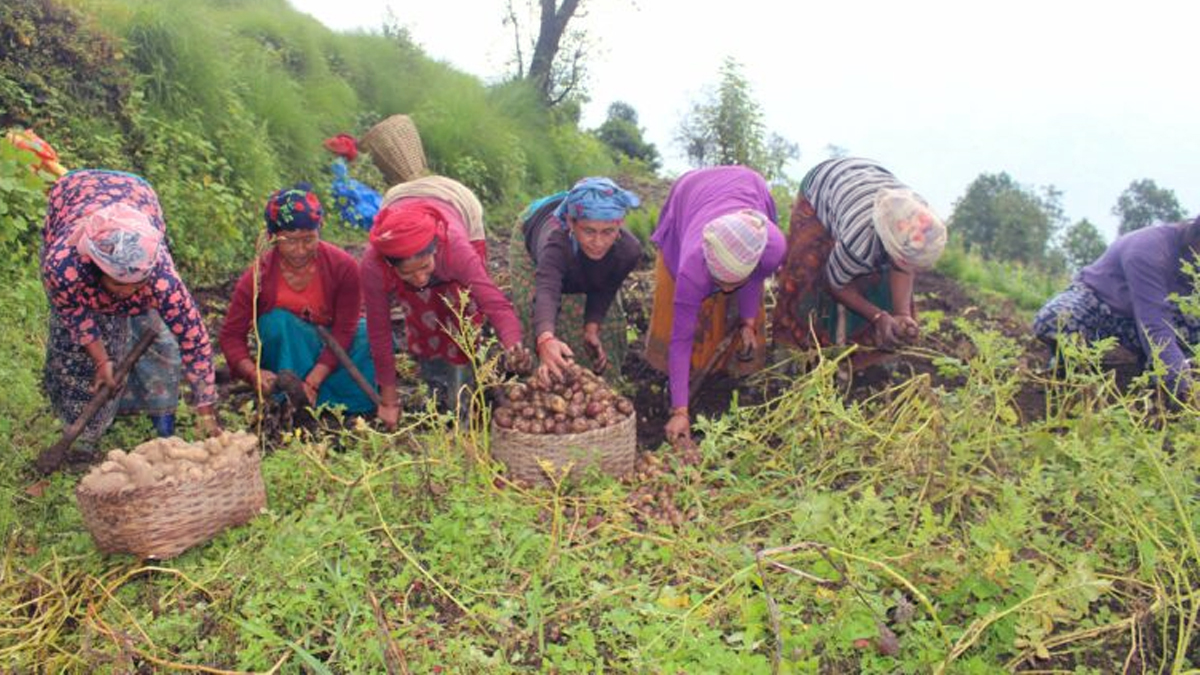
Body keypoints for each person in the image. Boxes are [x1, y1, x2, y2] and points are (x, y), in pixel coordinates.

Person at [40, 170, 219, 451]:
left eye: (137, 285)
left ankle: (138, 414)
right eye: (118, 284)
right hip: (76, 193)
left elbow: (194, 342)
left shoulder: (163, 281)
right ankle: (73, 426)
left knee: (152, 341)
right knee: (73, 348)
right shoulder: (64, 267)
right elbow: (74, 314)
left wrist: (205, 408)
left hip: (138, 196)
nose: (127, 292)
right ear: (95, 269)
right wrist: (100, 360)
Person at [361, 198, 531, 428]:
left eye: (424, 267)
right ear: (391, 266)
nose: (420, 278)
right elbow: (379, 331)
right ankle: (436, 386)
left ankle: (467, 393)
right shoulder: (373, 264)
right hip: (400, 204)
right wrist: (389, 400)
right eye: (407, 273)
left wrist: (513, 345)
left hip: (457, 202)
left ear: (435, 249)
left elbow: (494, 302)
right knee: (422, 316)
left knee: (463, 312)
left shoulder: (455, 249)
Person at [646, 165, 786, 443]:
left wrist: (747, 321)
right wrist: (681, 411)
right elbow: (681, 338)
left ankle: (731, 382)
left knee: (746, 315)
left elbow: (756, 277)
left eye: (734, 282)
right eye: (719, 280)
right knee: (683, 320)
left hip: (747, 185)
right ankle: (671, 388)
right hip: (690, 194)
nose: (725, 289)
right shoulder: (692, 265)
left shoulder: (772, 248)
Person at [220, 184, 376, 413]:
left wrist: (314, 379)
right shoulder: (258, 276)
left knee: (369, 334)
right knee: (274, 322)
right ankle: (291, 398)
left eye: (309, 239)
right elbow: (231, 336)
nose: (301, 250)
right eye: (290, 241)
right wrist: (253, 373)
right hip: (290, 355)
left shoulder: (344, 267)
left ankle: (325, 396)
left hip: (333, 347)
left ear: (320, 229)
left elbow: (345, 329)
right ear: (273, 237)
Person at [773, 157, 947, 351]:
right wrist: (878, 316)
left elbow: (903, 266)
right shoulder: (859, 243)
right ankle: (792, 349)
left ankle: (864, 353)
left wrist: (902, 314)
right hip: (823, 183)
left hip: (868, 178)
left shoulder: (917, 218)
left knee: (878, 282)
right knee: (805, 271)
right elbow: (836, 284)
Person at [1034, 216, 1200, 395]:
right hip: (1098, 303)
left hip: (1142, 322)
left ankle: (1156, 382)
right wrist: (1183, 389)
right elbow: (1154, 322)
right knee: (1056, 319)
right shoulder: (1150, 247)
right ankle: (1069, 368)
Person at [508, 177, 642, 385]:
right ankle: (541, 383)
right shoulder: (555, 245)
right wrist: (545, 338)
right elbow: (547, 291)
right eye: (589, 231)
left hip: (576, 260)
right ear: (571, 223)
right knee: (538, 319)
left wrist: (592, 327)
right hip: (533, 233)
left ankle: (603, 385)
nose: (598, 242)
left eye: (608, 232)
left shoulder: (628, 251)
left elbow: (605, 287)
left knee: (608, 328)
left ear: (619, 224)